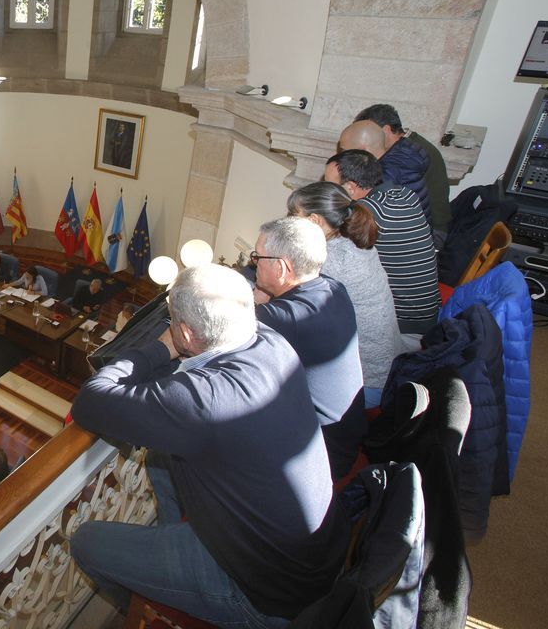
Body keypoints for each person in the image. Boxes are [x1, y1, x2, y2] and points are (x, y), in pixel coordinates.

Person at [69, 264, 348, 626]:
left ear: (184, 330)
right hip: (314, 559)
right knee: (159, 458)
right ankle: (169, 559)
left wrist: (160, 347)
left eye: (173, 323)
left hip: (263, 595)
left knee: (86, 541)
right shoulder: (271, 342)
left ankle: (152, 612)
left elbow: (91, 402)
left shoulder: (206, 400)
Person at [252, 217, 366, 479]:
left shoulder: (283, 318)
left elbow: (222, 330)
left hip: (317, 458)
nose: (253, 263)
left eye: (258, 257)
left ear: (281, 268)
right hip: (344, 435)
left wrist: (254, 300)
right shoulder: (335, 289)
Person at [288, 181, 407, 395]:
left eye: (294, 215)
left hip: (366, 380)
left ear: (314, 220)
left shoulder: (331, 260)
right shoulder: (349, 240)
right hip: (387, 365)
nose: (289, 221)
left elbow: (297, 313)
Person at [325, 149, 440, 337]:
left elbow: (330, 256)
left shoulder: (368, 213)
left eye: (329, 184)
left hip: (403, 324)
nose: (325, 189)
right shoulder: (404, 193)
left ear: (351, 188)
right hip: (426, 313)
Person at [355, 103, 452, 237]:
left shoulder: (405, 157)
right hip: (422, 225)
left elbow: (378, 196)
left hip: (431, 231)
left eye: (369, 132)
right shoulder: (408, 145)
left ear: (386, 130)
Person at [339, 119, 432, 230]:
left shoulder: (382, 178)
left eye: (345, 150)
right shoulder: (402, 153)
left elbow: (353, 218)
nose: (342, 156)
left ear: (362, 151)